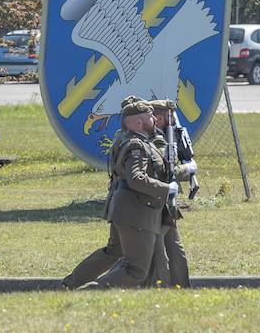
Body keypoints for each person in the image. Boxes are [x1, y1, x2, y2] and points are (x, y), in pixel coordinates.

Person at [85, 100, 177, 288]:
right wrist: (166, 189)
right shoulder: (137, 146)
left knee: (115, 253)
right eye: (150, 116)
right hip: (136, 213)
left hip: (128, 210)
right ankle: (89, 291)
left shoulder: (136, 141)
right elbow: (136, 178)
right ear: (137, 123)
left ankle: (71, 284)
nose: (154, 119)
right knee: (136, 271)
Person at [62, 96, 140, 289]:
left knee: (118, 250)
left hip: (120, 202)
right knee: (119, 250)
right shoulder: (128, 140)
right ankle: (80, 282)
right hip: (126, 202)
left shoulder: (122, 136)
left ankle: (76, 281)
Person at [149, 99, 197, 288]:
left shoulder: (170, 138)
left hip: (167, 208)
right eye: (172, 118)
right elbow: (164, 172)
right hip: (152, 207)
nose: (176, 122)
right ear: (160, 118)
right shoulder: (153, 141)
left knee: (176, 252)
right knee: (158, 257)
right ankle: (162, 292)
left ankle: (182, 291)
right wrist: (187, 170)